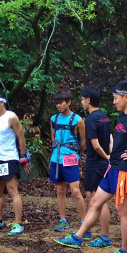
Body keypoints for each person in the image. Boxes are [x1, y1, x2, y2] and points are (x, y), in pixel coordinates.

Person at [55, 81, 127, 253]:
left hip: (125, 172)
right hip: (113, 169)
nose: (113, 102)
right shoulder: (123, 114)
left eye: (116, 98)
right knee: (95, 202)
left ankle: (125, 251)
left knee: (122, 211)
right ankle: (78, 238)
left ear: (126, 97)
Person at [0, 93, 31, 236]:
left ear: (2, 103)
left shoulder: (11, 117)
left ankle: (18, 224)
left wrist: (23, 157)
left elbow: (20, 137)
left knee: (12, 190)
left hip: (9, 158)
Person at [50, 89, 87, 233]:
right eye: (57, 103)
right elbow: (53, 137)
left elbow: (83, 140)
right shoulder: (54, 119)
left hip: (70, 158)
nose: (59, 106)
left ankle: (84, 220)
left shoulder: (78, 120)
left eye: (61, 103)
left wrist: (77, 154)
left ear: (69, 102)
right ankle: (63, 219)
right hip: (56, 158)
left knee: (75, 191)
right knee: (60, 190)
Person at [80, 86, 113, 248]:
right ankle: (96, 232)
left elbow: (95, 144)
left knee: (96, 198)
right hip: (103, 162)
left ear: (89, 100)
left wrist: (106, 156)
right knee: (95, 197)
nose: (81, 101)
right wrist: (110, 156)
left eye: (82, 98)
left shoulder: (91, 119)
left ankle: (104, 236)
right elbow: (110, 138)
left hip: (95, 162)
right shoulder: (105, 117)